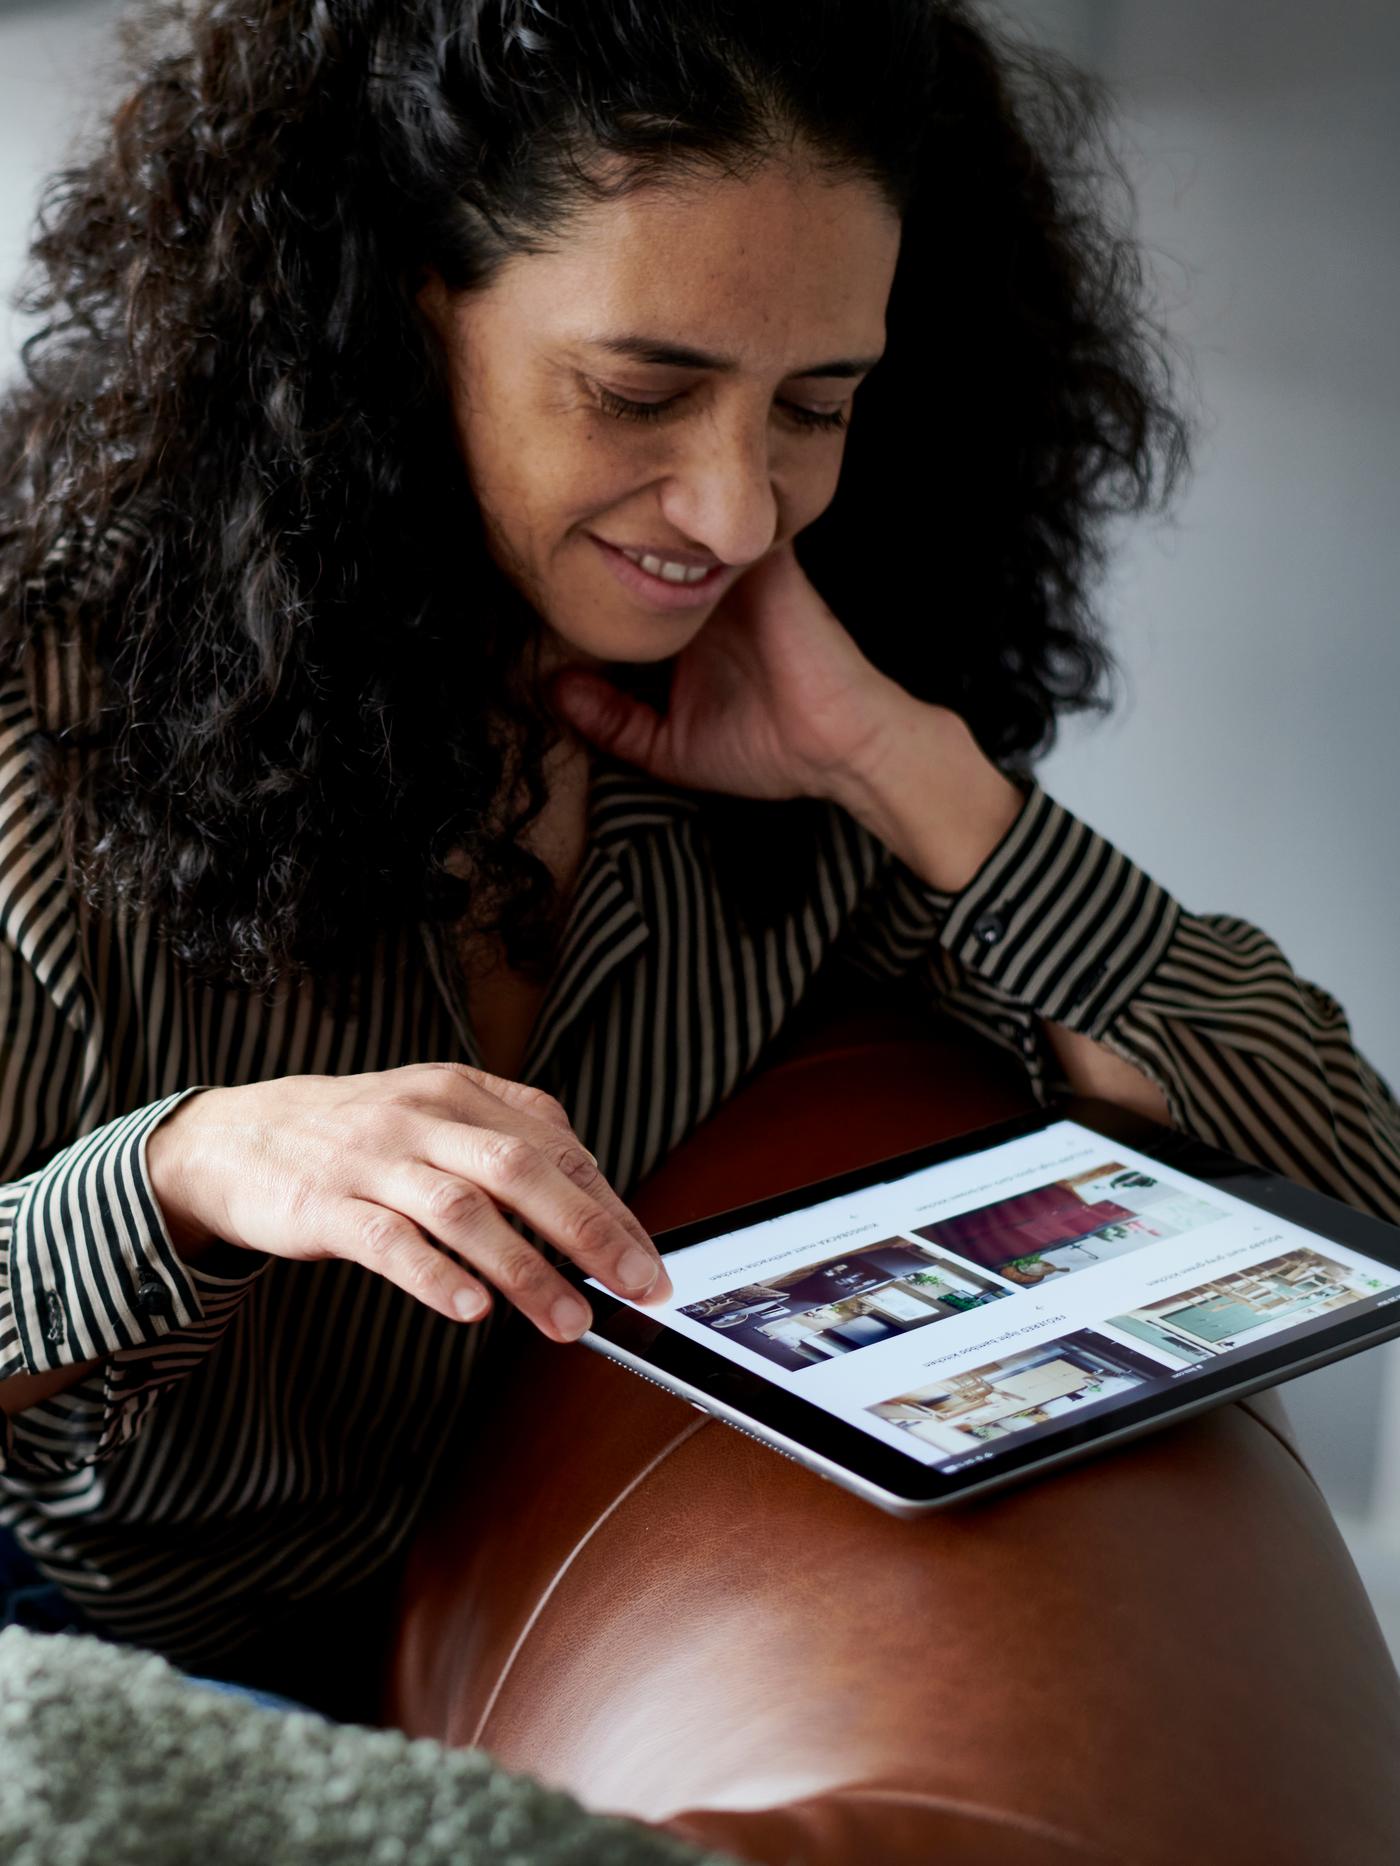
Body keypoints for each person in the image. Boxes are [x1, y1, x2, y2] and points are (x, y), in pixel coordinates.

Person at [0, 0, 1396, 1721]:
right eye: (641, 391)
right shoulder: (45, 702)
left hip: (489, 1665)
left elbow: (1352, 1187)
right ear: (400, 301)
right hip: (76, 1644)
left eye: (815, 405)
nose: (736, 513)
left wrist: (907, 771)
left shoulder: (782, 725)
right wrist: (188, 1170)